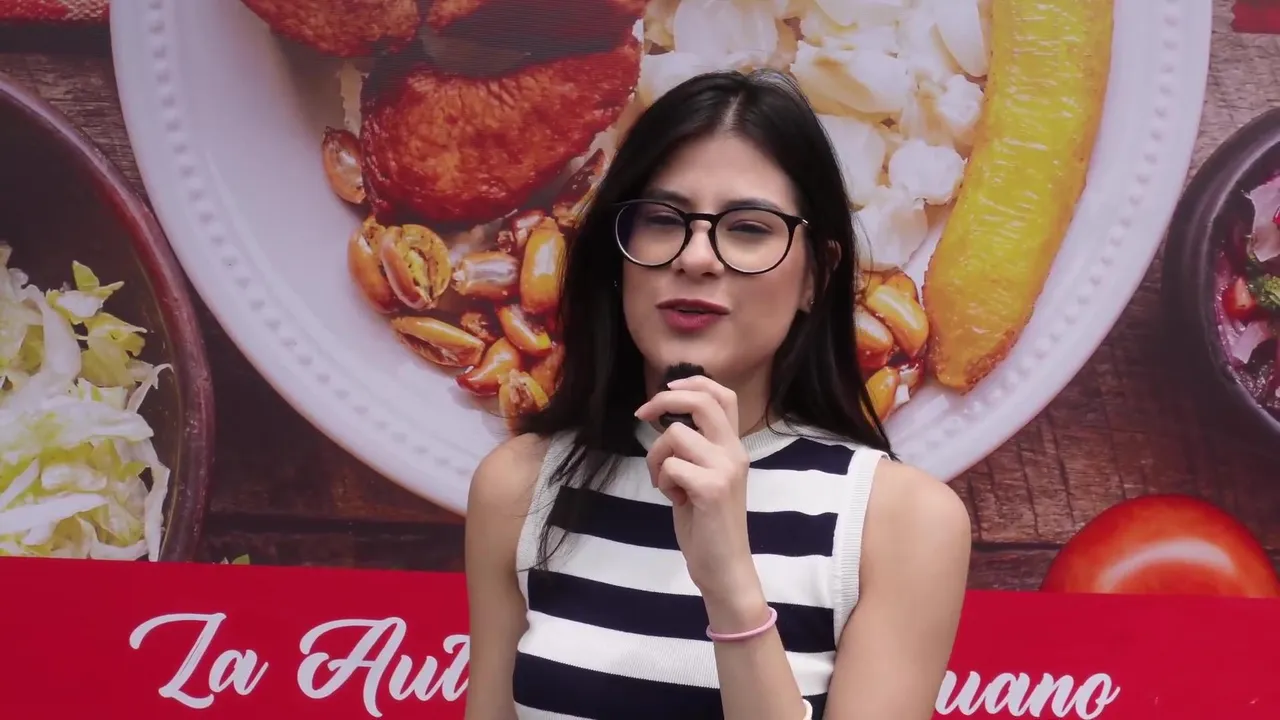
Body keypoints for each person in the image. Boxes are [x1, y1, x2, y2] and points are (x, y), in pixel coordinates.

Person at [464, 69, 971, 720]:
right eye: (661, 219)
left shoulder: (901, 522)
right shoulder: (519, 486)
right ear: (618, 258)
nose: (697, 257)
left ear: (816, 275)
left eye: (749, 228)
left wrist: (730, 584)